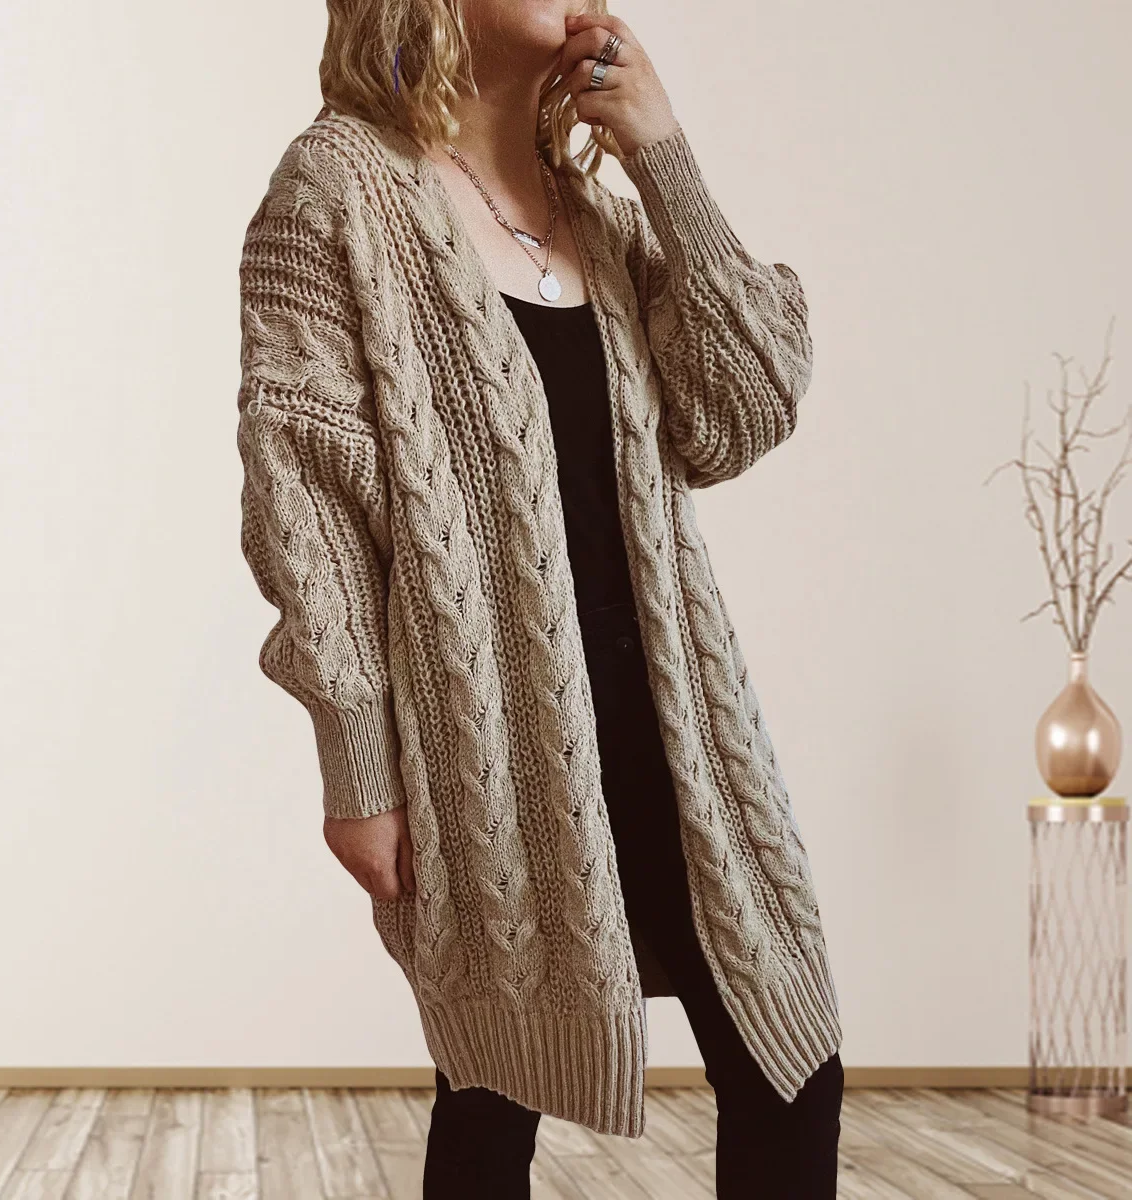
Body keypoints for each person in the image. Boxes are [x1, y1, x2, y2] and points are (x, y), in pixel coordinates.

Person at [235, 2, 844, 1196]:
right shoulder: (335, 189)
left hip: (684, 728)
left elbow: (743, 413)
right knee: (492, 1090)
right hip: (485, 737)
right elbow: (305, 502)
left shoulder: (600, 214)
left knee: (791, 1063)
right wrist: (358, 767)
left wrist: (666, 162)